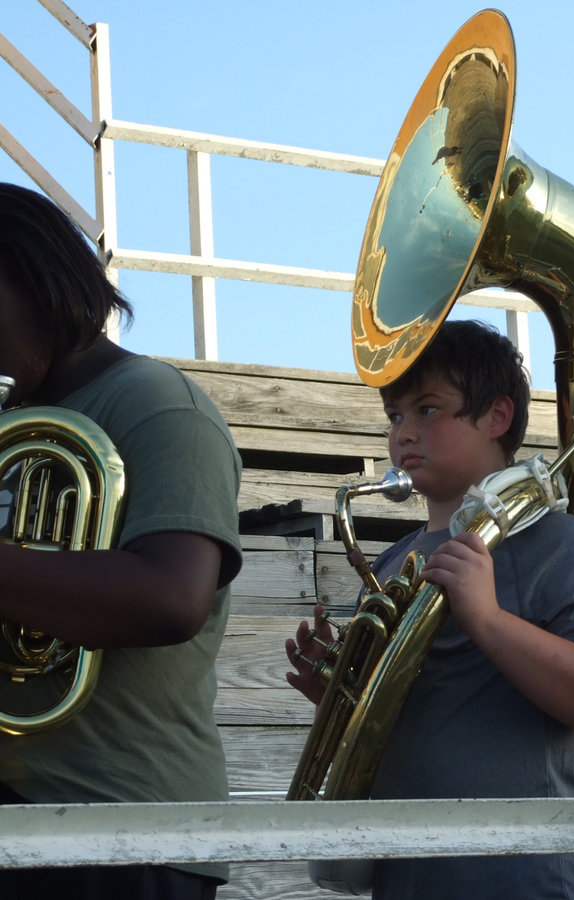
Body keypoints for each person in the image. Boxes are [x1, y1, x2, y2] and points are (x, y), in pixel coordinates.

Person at [285, 319, 574, 900]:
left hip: (539, 877)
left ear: (496, 417)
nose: (403, 433)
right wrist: (341, 695)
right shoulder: (390, 565)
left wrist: (488, 620)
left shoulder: (562, 544)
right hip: (413, 876)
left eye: (428, 410)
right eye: (394, 416)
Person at [0, 183, 243, 898]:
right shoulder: (17, 418)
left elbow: (171, 599)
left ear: (35, 278)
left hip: (127, 829)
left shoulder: (159, 403)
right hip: (24, 820)